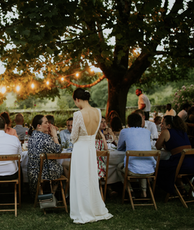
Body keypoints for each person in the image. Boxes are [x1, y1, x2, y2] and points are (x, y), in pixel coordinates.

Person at [69, 88, 112, 224]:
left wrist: (73, 139)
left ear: (77, 100)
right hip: (91, 148)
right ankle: (94, 207)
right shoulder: (98, 112)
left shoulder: (78, 114)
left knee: (80, 179)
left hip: (80, 149)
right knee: (90, 178)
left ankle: (82, 209)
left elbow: (74, 136)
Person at [116, 113, 156, 198]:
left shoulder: (124, 131)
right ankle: (144, 192)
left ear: (128, 123)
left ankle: (130, 190)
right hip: (150, 170)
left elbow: (119, 148)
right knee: (142, 162)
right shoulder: (147, 132)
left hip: (132, 170)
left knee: (119, 167)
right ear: (141, 122)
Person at [155, 115, 193, 194]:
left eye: (162, 124)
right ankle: (181, 188)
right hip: (192, 164)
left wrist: (163, 143)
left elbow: (157, 147)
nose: (161, 125)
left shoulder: (166, 132)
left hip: (182, 165)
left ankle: (164, 189)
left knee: (158, 165)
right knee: (174, 165)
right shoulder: (183, 132)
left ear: (169, 126)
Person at [27, 115, 63, 197]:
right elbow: (58, 150)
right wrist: (54, 135)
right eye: (46, 123)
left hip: (33, 172)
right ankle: (52, 195)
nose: (49, 125)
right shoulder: (45, 137)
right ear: (39, 126)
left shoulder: (31, 137)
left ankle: (41, 195)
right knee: (61, 168)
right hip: (44, 172)